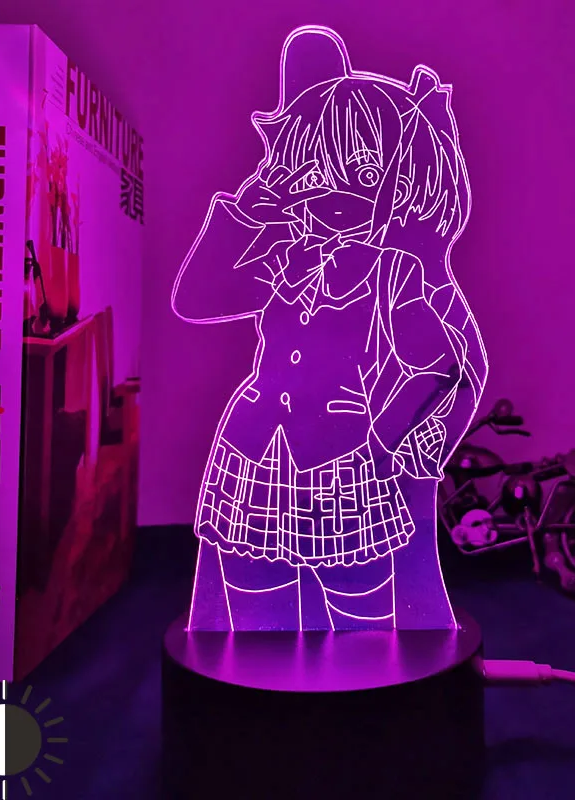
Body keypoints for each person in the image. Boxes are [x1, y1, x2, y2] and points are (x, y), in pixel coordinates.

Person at [172, 26, 487, 631]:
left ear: (397, 183)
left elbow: (440, 366)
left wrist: (384, 438)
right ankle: (261, 684)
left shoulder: (392, 270)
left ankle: (360, 686)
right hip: (252, 451)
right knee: (255, 614)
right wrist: (248, 207)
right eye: (309, 170)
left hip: (342, 460)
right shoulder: (281, 256)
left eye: (358, 175)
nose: (325, 191)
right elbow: (194, 299)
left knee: (360, 619)